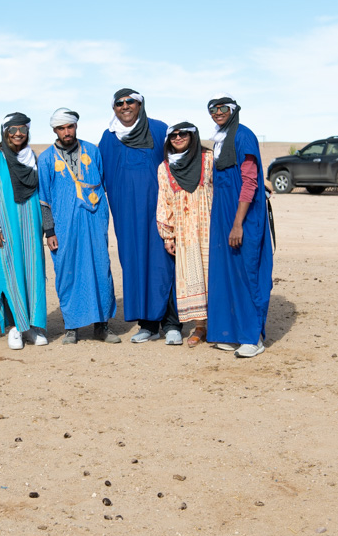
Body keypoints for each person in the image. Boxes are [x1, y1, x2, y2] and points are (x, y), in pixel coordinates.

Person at [98, 88, 181, 344]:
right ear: (114, 108)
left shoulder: (158, 130)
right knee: (135, 264)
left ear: (140, 105)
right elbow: (97, 175)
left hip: (159, 212)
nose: (125, 106)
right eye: (119, 103)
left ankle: (171, 324)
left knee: (163, 263)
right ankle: (147, 325)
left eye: (130, 102)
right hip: (127, 216)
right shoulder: (109, 138)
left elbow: (181, 157)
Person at [37, 108, 120, 345]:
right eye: (61, 128)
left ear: (76, 127)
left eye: (70, 127)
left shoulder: (92, 151)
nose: (66, 132)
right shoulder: (45, 159)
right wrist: (50, 231)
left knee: (100, 268)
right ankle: (71, 326)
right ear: (55, 130)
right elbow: (43, 199)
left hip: (93, 221)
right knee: (67, 271)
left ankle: (102, 325)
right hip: (64, 227)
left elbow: (102, 183)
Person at [205, 93, 274, 358]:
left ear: (233, 110)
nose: (217, 112)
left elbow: (250, 182)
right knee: (227, 272)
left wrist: (238, 224)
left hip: (244, 217)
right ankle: (232, 332)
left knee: (248, 274)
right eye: (212, 109)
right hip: (224, 215)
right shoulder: (221, 139)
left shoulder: (243, 136)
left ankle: (252, 337)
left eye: (223, 108)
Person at [0, 112, 49, 350]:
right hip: (6, 228)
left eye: (22, 129)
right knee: (10, 274)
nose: (18, 133)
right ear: (5, 131)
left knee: (33, 274)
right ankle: (14, 328)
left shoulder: (33, 159)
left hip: (31, 229)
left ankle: (31, 326)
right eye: (13, 129)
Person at [156, 122, 213, 348]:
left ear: (193, 136)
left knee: (214, 275)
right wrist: (168, 235)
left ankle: (219, 326)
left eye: (183, 134)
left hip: (210, 226)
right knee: (193, 276)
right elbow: (164, 201)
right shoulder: (165, 167)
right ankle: (200, 327)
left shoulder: (208, 160)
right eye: (173, 136)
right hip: (185, 230)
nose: (178, 138)